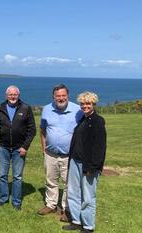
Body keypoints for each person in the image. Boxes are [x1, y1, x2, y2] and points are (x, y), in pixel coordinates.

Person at [62, 92, 106, 233]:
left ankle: (88, 226)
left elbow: (100, 147)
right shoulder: (82, 119)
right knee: (73, 193)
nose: (85, 106)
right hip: (75, 161)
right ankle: (76, 221)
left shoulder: (98, 121)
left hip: (89, 165)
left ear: (93, 104)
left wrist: (93, 167)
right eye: (82, 103)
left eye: (88, 103)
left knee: (88, 197)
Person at [38, 84, 83, 222]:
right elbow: (43, 130)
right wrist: (44, 149)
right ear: (54, 96)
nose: (61, 98)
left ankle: (67, 208)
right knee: (50, 180)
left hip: (70, 155)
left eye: (63, 95)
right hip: (50, 154)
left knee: (69, 183)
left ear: (67, 96)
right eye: (58, 96)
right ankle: (51, 204)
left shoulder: (78, 110)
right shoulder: (47, 109)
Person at [0, 85, 36, 210]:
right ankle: (3, 198)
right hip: (3, 148)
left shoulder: (26, 108)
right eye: (10, 94)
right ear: (6, 95)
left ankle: (16, 202)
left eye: (15, 94)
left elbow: (32, 129)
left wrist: (25, 147)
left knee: (17, 177)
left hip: (19, 149)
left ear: (18, 95)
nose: (12, 96)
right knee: (2, 175)